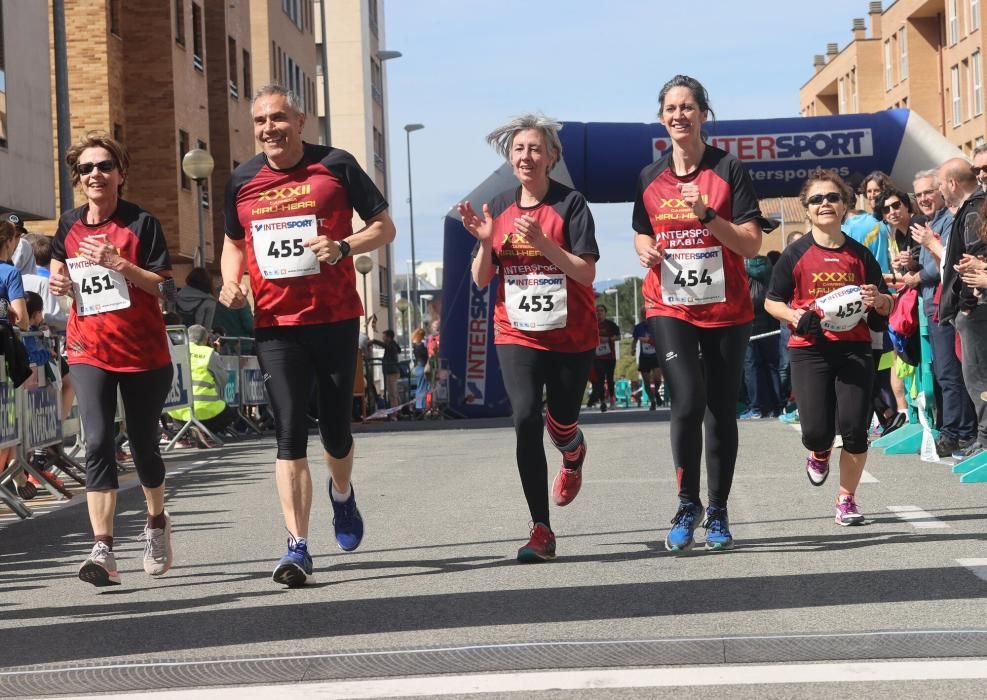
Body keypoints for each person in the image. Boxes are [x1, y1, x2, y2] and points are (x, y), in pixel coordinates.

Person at [220, 84, 394, 587]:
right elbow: (234, 244)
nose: (268, 129)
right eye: (260, 121)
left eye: (278, 118)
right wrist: (232, 283)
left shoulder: (336, 165)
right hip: (276, 326)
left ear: (300, 122)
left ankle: (342, 493)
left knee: (336, 432)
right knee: (289, 431)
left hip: (336, 319)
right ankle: (297, 547)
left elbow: (384, 228)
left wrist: (343, 245)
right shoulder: (242, 180)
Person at [632, 75, 773, 552]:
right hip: (669, 304)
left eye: (688, 107)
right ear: (661, 118)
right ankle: (686, 503)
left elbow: (753, 242)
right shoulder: (650, 177)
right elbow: (641, 231)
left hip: (727, 308)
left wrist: (709, 216)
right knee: (687, 402)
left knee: (719, 411)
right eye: (671, 108)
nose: (679, 115)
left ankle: (718, 510)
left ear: (703, 115)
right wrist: (646, 249)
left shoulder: (729, 170)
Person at [458, 113, 599, 562]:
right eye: (519, 149)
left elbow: (586, 272)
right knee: (524, 420)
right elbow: (481, 279)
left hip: (570, 334)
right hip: (515, 332)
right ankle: (541, 529)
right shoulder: (498, 207)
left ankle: (572, 452)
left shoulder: (571, 204)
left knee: (560, 421)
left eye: (536, 148)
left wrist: (545, 245)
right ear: (510, 157)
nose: (526, 156)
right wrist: (484, 242)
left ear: (551, 156)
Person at [48, 131, 175, 587]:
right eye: (86, 169)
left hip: (142, 352)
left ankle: (156, 521)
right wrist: (59, 284)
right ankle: (103, 548)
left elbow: (163, 287)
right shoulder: (68, 224)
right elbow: (59, 268)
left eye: (104, 166)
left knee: (143, 445)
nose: (95, 174)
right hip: (88, 349)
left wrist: (117, 263)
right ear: (78, 179)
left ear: (120, 173)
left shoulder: (141, 223)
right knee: (98, 439)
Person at [765, 169, 894, 526]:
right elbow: (771, 302)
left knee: (854, 428)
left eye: (832, 198)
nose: (825, 204)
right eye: (817, 199)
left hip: (854, 348)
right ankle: (818, 451)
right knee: (816, 431)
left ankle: (846, 500)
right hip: (809, 349)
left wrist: (880, 299)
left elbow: (885, 302)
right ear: (806, 209)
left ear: (845, 205)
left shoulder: (860, 255)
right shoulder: (795, 253)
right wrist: (793, 315)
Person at [907, 170, 976, 457]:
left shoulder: (949, 220)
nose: (924, 198)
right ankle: (957, 430)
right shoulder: (930, 222)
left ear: (942, 191)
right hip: (932, 306)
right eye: (919, 194)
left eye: (928, 192)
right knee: (943, 372)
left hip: (946, 305)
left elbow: (946, 263)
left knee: (951, 373)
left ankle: (957, 433)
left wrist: (918, 275)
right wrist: (912, 260)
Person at [938, 157, 987, 462]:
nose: (982, 174)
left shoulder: (973, 211)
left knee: (977, 376)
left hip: (977, 307)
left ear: (952, 183)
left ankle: (983, 439)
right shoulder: (974, 210)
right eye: (979, 169)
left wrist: (967, 304)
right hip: (976, 305)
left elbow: (972, 262)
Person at [166, 324, 237, 436]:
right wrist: (216, 354)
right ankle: (203, 432)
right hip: (206, 411)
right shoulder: (209, 353)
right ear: (206, 339)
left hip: (178, 412)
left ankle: (188, 432)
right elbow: (223, 381)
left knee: (178, 415)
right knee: (230, 415)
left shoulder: (175, 351)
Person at [741, 254, 782, 420]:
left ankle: (756, 407)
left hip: (748, 321)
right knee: (772, 365)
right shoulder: (768, 268)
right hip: (770, 320)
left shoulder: (743, 267)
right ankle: (776, 405)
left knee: (751, 366)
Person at [843, 171, 893, 272]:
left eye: (876, 190)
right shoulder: (856, 222)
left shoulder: (894, 220)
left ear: (885, 192)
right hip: (869, 282)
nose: (872, 195)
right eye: (869, 191)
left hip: (895, 283)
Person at [631, 306, 662, 409]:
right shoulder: (638, 327)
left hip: (656, 355)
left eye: (647, 312)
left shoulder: (656, 324)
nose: (645, 314)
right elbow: (635, 340)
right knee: (646, 381)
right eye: (643, 313)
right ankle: (652, 400)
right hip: (644, 357)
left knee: (658, 379)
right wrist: (633, 348)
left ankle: (656, 392)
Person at [591, 303, 620, 413]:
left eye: (601, 310)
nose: (599, 312)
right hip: (597, 357)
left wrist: (607, 339)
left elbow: (618, 336)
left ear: (605, 313)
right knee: (600, 380)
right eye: (597, 311)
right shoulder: (592, 325)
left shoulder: (611, 325)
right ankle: (602, 401)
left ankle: (612, 399)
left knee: (610, 379)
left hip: (610, 357)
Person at [369, 329, 402, 409]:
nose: (383, 338)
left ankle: (394, 414)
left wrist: (374, 341)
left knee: (392, 394)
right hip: (391, 372)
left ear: (388, 337)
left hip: (391, 372)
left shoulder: (391, 346)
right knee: (394, 393)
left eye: (384, 336)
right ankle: (398, 411)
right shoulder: (392, 345)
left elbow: (385, 346)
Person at [411, 327, 429, 412]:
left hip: (418, 367)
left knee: (420, 387)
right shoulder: (421, 346)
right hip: (422, 367)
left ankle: (419, 406)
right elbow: (425, 356)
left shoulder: (415, 345)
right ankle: (420, 407)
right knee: (422, 387)